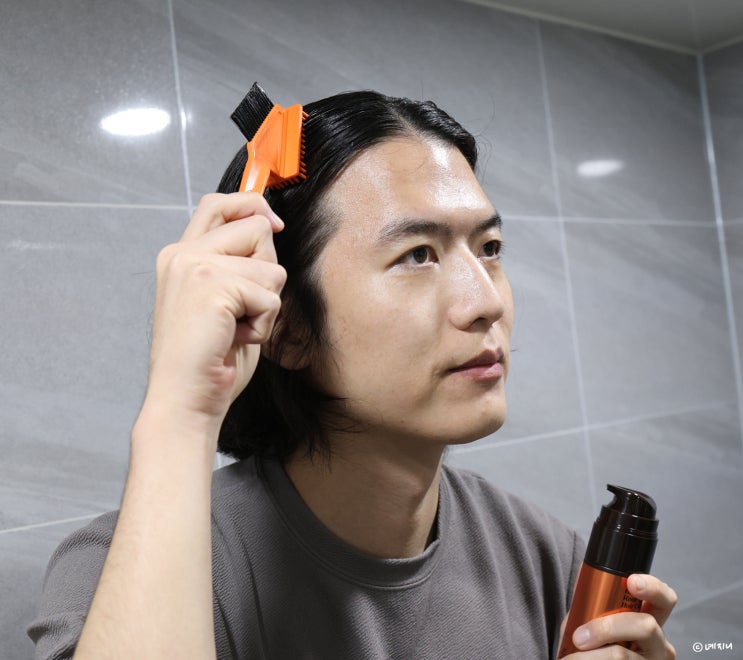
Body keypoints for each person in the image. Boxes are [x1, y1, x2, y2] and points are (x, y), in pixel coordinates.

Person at [29, 90, 677, 659]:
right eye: (417, 254)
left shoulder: (545, 558)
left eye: (490, 249)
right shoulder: (117, 574)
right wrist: (180, 413)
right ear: (287, 329)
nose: (486, 302)